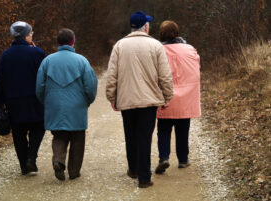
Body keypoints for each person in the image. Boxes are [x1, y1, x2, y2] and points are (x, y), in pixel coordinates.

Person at [106, 11, 173, 188]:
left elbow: (112, 75)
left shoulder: (119, 46)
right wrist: (167, 96)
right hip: (148, 101)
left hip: (127, 100)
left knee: (130, 135)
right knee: (144, 137)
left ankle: (133, 169)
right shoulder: (156, 45)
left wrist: (111, 96)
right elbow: (165, 75)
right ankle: (144, 177)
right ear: (146, 26)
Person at [36, 28, 97, 181]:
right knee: (78, 138)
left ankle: (58, 160)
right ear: (73, 41)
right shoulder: (82, 61)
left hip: (54, 104)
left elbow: (39, 86)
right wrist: (87, 101)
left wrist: (46, 102)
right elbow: (90, 86)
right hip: (77, 106)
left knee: (59, 135)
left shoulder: (47, 61)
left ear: (58, 42)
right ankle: (74, 171)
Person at [0, 21, 46, 175]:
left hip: (13, 100)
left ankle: (24, 166)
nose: (32, 35)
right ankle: (31, 158)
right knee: (38, 128)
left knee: (18, 133)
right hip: (35, 100)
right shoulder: (37, 53)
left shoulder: (5, 55)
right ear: (25, 36)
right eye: (31, 33)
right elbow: (46, 76)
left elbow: (0, 80)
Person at [155, 20, 201, 174]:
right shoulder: (190, 49)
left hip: (165, 97)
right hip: (185, 99)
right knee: (183, 130)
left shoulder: (158, 50)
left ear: (161, 34)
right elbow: (197, 68)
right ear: (177, 32)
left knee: (163, 130)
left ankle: (164, 157)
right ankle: (183, 159)